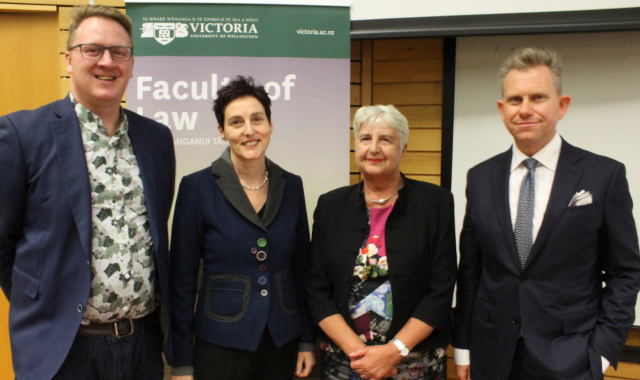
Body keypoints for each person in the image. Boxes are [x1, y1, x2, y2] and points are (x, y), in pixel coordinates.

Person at [0, 5, 176, 380]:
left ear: (131, 63)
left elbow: (156, 234)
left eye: (119, 52)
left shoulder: (157, 139)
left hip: (143, 346)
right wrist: (45, 306)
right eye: (92, 49)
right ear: (68, 59)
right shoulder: (22, 134)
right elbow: (3, 242)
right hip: (62, 350)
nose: (107, 61)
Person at [453, 47, 640, 380]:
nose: (525, 110)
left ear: (562, 105)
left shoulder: (603, 175)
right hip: (491, 356)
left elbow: (625, 271)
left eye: (538, 97)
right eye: (514, 100)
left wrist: (601, 351)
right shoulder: (479, 177)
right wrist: (464, 347)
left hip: (571, 358)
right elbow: (471, 270)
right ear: (501, 109)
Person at [169, 76, 315, 380]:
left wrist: (306, 340)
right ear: (222, 131)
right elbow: (181, 282)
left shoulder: (292, 186)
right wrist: (182, 362)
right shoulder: (197, 187)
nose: (249, 130)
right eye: (236, 122)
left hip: (282, 340)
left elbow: (301, 270)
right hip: (220, 342)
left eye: (257, 119)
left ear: (270, 124)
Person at [305, 105, 457, 380]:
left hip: (415, 362)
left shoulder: (435, 203)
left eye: (385, 139)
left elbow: (441, 289)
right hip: (347, 362)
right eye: (365, 139)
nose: (374, 148)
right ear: (356, 146)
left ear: (403, 149)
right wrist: (358, 351)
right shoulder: (330, 206)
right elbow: (316, 289)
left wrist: (393, 351)